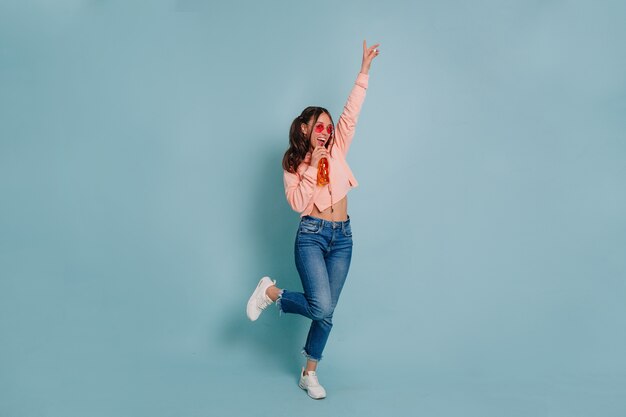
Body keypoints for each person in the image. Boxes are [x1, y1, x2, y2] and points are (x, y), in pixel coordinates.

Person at [246, 40, 380, 400]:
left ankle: (309, 374)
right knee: (321, 305)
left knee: (327, 312)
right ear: (305, 129)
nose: (326, 131)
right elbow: (297, 203)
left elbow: (351, 113)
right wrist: (311, 169)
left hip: (343, 237)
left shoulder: (337, 150)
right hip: (312, 236)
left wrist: (364, 70)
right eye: (318, 126)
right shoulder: (293, 164)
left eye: (328, 127)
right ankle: (270, 292)